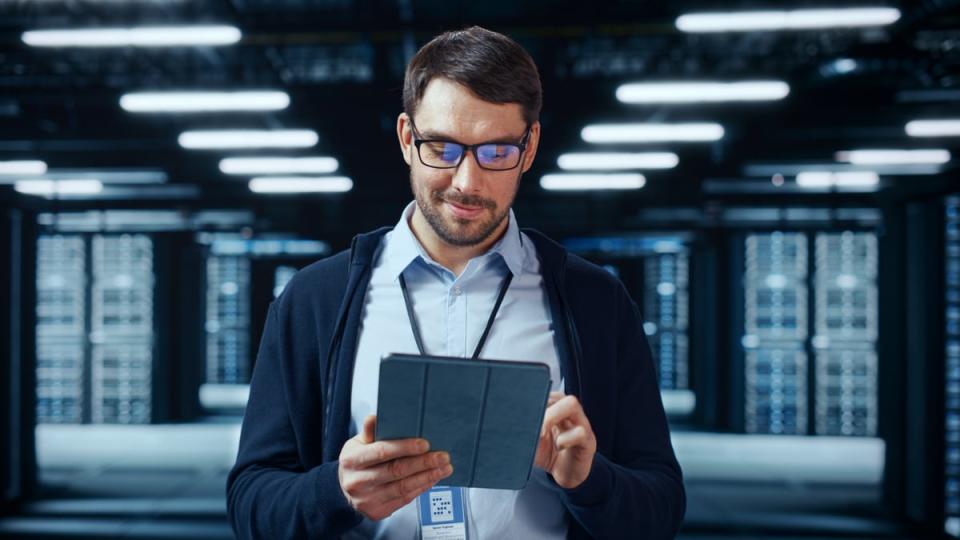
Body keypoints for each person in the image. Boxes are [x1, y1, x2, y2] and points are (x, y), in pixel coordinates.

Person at [227, 26, 685, 539]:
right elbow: (251, 504)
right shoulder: (315, 300)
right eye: (442, 149)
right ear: (407, 137)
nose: (467, 182)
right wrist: (335, 491)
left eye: (495, 152)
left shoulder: (595, 303)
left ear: (529, 146)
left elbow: (661, 509)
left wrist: (588, 481)